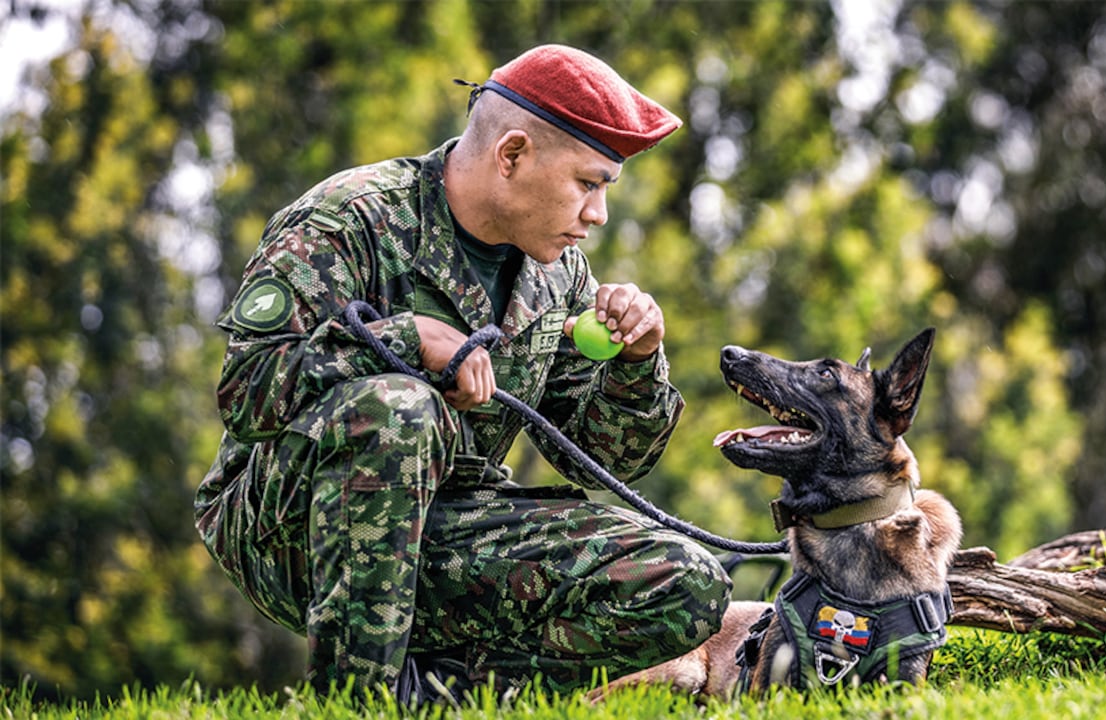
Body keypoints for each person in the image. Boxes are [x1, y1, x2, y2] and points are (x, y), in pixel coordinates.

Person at [193, 44, 732, 701]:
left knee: (686, 582)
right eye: (588, 184)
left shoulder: (555, 271)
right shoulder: (350, 221)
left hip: (450, 525)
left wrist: (636, 360)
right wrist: (406, 341)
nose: (598, 214)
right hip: (291, 524)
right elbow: (248, 391)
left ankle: (449, 695)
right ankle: (355, 703)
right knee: (397, 410)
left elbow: (606, 460)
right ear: (512, 155)